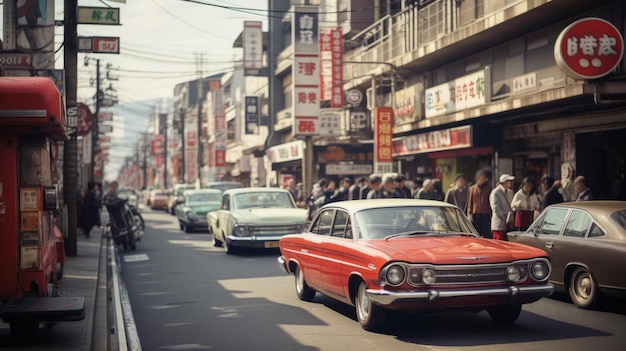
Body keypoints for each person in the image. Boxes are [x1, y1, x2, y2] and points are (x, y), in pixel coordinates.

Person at [467, 169, 492, 238]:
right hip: (476, 213)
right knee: (476, 232)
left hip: (485, 213)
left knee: (486, 232)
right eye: (478, 177)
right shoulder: (473, 188)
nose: (480, 179)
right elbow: (470, 202)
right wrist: (469, 213)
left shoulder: (489, 188)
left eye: (482, 177)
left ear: (486, 178)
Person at [490, 174, 515, 240]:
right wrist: (504, 217)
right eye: (509, 181)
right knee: (499, 242)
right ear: (505, 182)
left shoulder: (510, 192)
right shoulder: (495, 192)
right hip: (499, 223)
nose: (511, 183)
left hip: (509, 223)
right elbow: (495, 207)